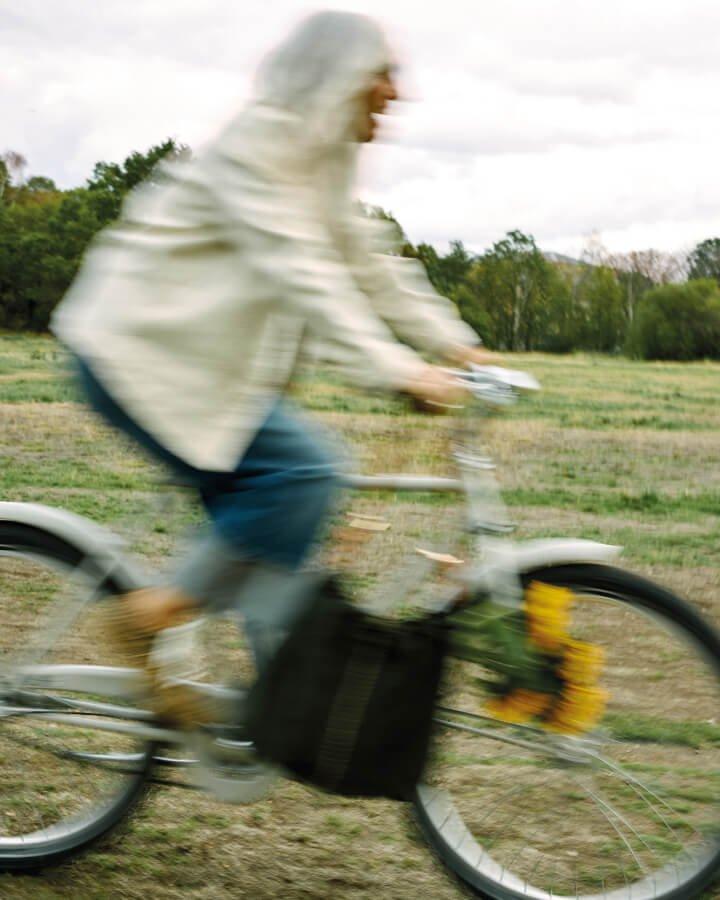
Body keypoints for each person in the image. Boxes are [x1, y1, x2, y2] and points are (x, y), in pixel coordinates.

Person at [51, 10, 491, 725]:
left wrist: (458, 345)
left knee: (280, 549)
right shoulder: (258, 147)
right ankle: (149, 619)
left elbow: (368, 264)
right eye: (382, 73)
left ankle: (254, 712)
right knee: (308, 472)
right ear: (339, 76)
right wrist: (399, 371)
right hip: (135, 359)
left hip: (204, 379)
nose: (394, 92)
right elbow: (305, 275)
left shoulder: (318, 161)